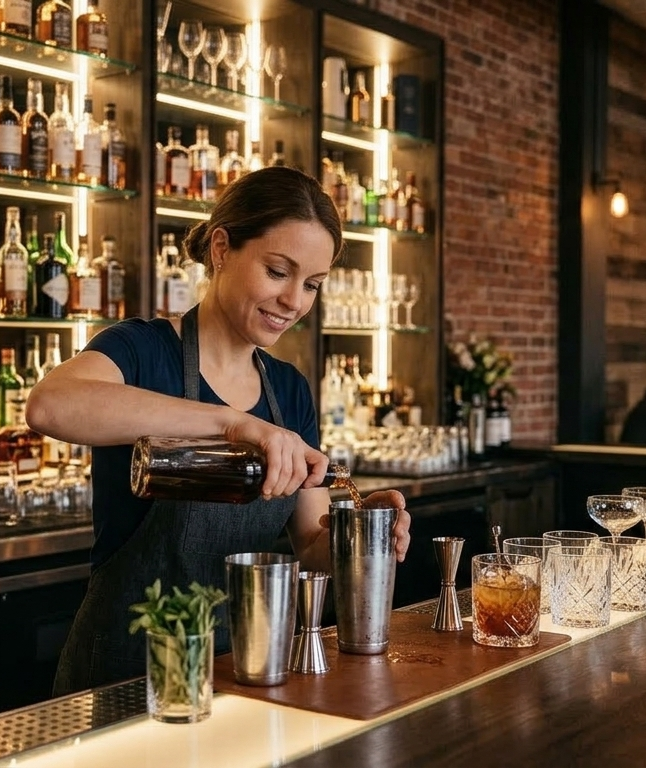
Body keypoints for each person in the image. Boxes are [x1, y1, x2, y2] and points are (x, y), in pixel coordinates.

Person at [25, 167, 414, 696]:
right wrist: (234, 424)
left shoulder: (290, 391)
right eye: (278, 271)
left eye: (312, 285)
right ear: (222, 248)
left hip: (245, 668)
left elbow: (310, 543)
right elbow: (50, 406)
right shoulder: (142, 350)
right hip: (125, 670)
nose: (295, 301)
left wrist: (361, 536)